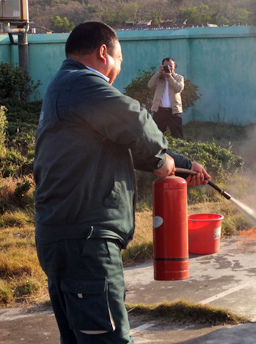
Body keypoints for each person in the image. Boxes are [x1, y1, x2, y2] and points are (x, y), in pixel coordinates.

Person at [33, 22, 210, 344]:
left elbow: (121, 142)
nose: (117, 70)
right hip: (85, 241)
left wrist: (182, 165)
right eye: (120, 59)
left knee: (81, 338)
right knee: (108, 339)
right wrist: (161, 160)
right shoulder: (82, 83)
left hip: (66, 236)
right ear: (104, 53)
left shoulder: (65, 87)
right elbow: (135, 121)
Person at [148, 57, 185, 139]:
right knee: (156, 136)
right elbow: (150, 85)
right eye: (166, 66)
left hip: (174, 111)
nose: (169, 68)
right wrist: (158, 72)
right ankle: (159, 151)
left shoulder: (179, 78)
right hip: (160, 110)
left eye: (171, 66)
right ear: (162, 66)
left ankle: (178, 151)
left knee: (177, 136)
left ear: (174, 66)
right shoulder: (159, 78)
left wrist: (169, 77)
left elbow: (179, 88)